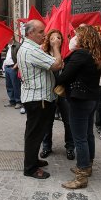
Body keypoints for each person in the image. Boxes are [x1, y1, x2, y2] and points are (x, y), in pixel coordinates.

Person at [56, 25, 101, 189]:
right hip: (91, 99)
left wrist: (58, 77)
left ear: (83, 38)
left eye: (77, 35)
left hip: (80, 100)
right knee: (88, 134)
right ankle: (87, 165)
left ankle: (81, 175)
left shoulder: (80, 54)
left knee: (79, 138)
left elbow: (64, 77)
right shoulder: (94, 54)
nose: (73, 37)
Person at [17, 19, 63, 179]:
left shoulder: (30, 48)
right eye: (40, 32)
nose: (44, 35)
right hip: (38, 99)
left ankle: (33, 160)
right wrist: (56, 47)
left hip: (36, 97)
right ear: (30, 33)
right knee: (34, 134)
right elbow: (57, 64)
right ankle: (30, 168)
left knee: (35, 133)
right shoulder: (31, 50)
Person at [39, 30, 75, 161]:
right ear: (48, 40)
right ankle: (46, 146)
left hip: (64, 93)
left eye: (59, 37)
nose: (56, 40)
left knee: (68, 121)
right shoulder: (43, 54)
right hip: (49, 92)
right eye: (53, 37)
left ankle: (70, 147)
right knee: (47, 122)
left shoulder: (68, 55)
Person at [3, 37, 22, 109]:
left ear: (11, 37)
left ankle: (18, 101)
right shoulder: (8, 46)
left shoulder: (18, 45)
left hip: (13, 67)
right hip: (7, 67)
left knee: (16, 85)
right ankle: (12, 100)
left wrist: (16, 65)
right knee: (9, 85)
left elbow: (20, 57)